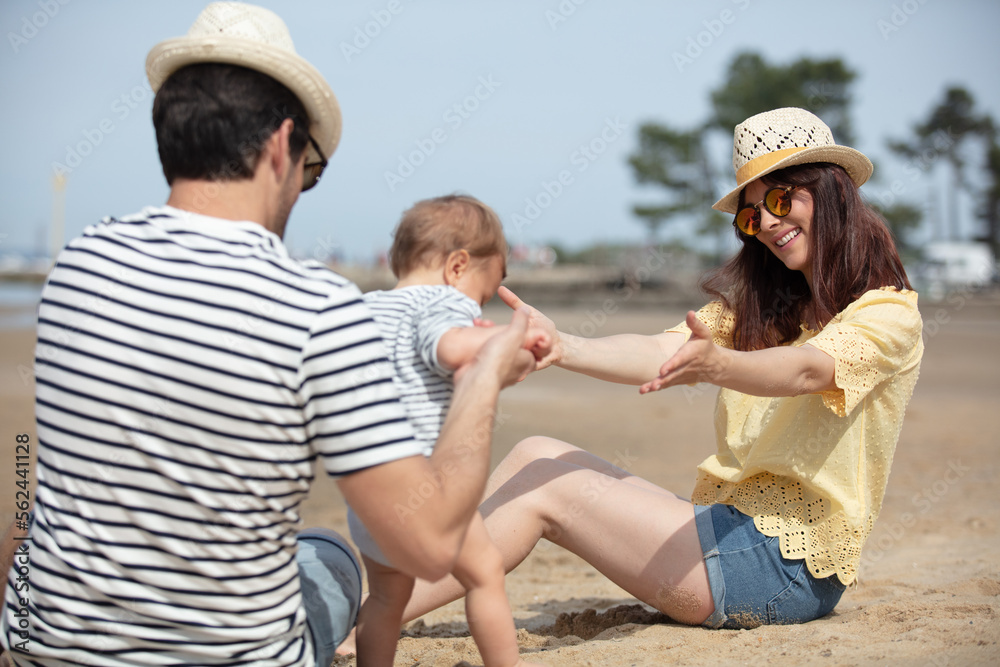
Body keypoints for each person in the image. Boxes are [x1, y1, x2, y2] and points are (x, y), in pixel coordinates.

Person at [0, 4, 536, 667]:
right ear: (282, 146)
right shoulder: (315, 308)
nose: (302, 188)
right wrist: (484, 376)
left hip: (54, 649)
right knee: (331, 554)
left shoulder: (76, 268)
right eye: (312, 169)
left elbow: (33, 498)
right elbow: (428, 546)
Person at [400, 107, 925, 631]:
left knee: (546, 485)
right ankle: (385, 596)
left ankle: (371, 618)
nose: (765, 222)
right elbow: (657, 348)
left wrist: (720, 365)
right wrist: (562, 345)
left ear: (830, 190)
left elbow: (809, 371)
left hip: (781, 570)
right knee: (533, 453)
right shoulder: (762, 313)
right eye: (749, 216)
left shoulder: (887, 313)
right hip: (731, 528)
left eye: (779, 199)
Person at [348, 195, 547, 666]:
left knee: (384, 601)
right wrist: (509, 337)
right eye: (481, 294)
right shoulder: (440, 299)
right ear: (457, 266)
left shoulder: (365, 308)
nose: (475, 308)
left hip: (368, 495)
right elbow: (455, 347)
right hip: (426, 489)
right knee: (484, 574)